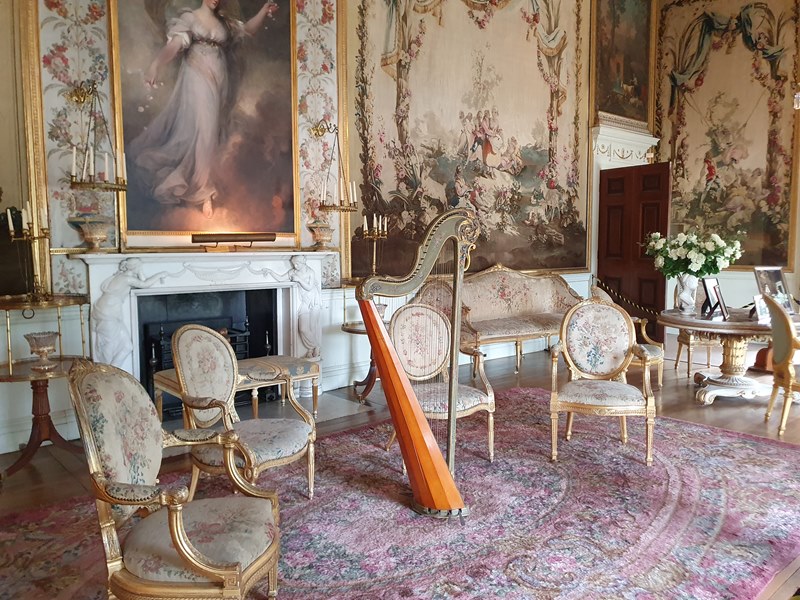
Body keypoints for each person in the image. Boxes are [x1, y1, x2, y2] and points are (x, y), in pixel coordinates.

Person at [131, 0, 278, 219]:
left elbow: (247, 30)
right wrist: (155, 65)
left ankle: (202, 184)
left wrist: (264, 11)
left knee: (210, 133)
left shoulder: (224, 23)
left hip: (220, 81)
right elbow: (173, 46)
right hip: (196, 75)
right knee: (205, 131)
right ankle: (204, 192)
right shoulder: (190, 18)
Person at [92, 258, 170, 368]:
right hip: (108, 311)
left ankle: (112, 372)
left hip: (111, 310)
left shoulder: (122, 276)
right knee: (109, 344)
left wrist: (140, 272)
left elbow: (143, 282)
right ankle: (106, 374)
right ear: (135, 267)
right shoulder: (127, 279)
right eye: (139, 267)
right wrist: (160, 274)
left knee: (127, 346)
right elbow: (145, 284)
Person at [265, 255, 322, 358]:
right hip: (304, 301)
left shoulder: (310, 272)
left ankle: (311, 349)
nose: (295, 266)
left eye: (297, 264)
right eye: (293, 264)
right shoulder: (293, 272)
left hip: (313, 301)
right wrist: (270, 271)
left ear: (303, 262)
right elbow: (281, 279)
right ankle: (315, 345)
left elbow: (309, 287)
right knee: (303, 328)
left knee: (313, 326)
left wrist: (299, 279)